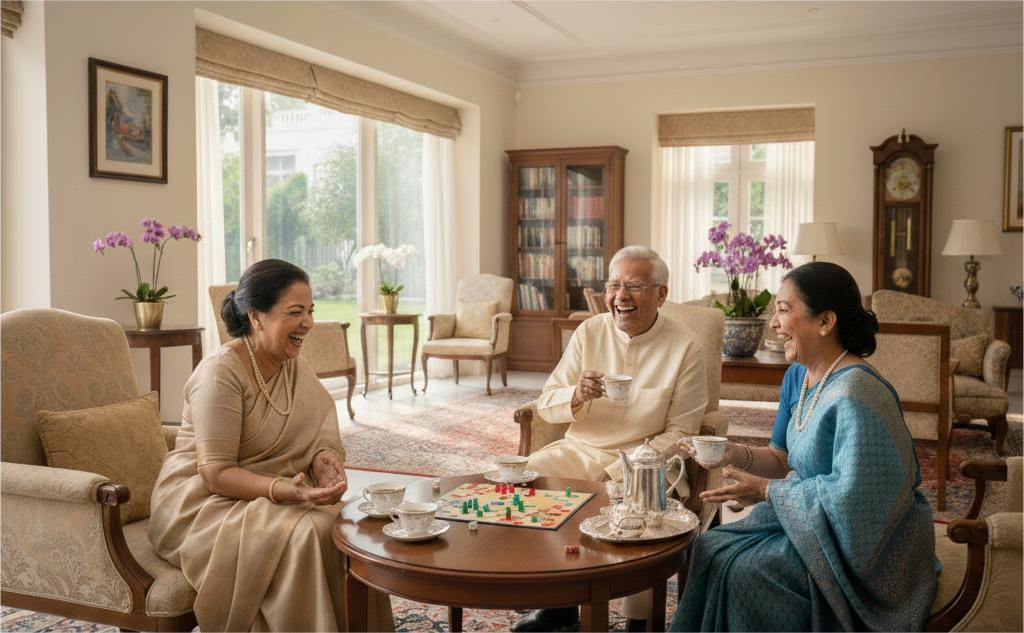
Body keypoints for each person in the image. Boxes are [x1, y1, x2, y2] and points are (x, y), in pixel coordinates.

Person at [670, 261, 936, 632]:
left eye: (783, 310)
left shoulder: (859, 393)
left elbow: (860, 503)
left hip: (866, 541)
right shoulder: (798, 376)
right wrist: (732, 453)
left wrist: (767, 492)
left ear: (825, 321)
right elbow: (782, 459)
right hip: (810, 519)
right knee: (711, 546)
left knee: (748, 570)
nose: (774, 324)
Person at [148, 259, 393, 633]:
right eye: (295, 312)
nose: (308, 323)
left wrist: (323, 457)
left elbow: (318, 430)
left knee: (351, 523)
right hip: (203, 503)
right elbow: (215, 473)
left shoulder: (292, 365)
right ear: (256, 317)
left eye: (310, 311)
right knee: (309, 534)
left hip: (270, 492)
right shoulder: (220, 373)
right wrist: (288, 491)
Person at [514, 246, 709, 633]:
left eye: (634, 286)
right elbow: (547, 404)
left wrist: (623, 470)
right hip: (580, 449)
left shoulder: (687, 347)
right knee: (529, 479)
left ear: (661, 294)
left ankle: (639, 621)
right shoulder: (589, 332)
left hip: (648, 461)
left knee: (640, 508)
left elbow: (681, 432)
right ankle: (559, 606)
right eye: (614, 285)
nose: (621, 295)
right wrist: (576, 395)